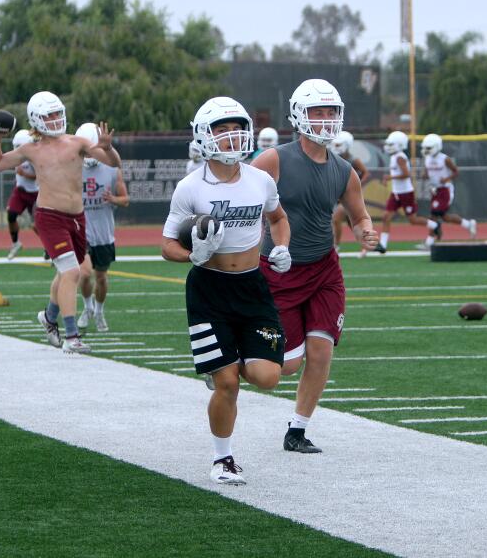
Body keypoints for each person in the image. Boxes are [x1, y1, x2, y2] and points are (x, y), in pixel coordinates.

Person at [161, 96, 292, 485]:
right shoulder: (190, 188)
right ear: (203, 136)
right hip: (210, 289)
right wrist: (191, 255)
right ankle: (223, 459)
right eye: (222, 129)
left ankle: (223, 368)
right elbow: (166, 245)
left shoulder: (260, 179)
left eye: (237, 127)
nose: (232, 135)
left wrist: (282, 247)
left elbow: (278, 217)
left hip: (252, 285)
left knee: (267, 375)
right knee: (229, 382)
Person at [252, 78, 379, 454]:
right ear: (298, 115)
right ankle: (230, 360)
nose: (325, 121)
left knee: (322, 351)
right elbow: (243, 195)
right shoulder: (275, 158)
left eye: (330, 113)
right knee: (285, 367)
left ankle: (298, 430)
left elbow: (360, 215)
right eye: (317, 112)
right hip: (280, 269)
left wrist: (366, 232)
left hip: (324, 269)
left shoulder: (344, 170)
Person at [0, 92, 121, 354]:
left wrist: (107, 147)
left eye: (58, 113)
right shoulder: (31, 149)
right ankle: (71, 336)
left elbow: (113, 163)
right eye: (49, 115)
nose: (56, 119)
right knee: (72, 272)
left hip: (77, 218)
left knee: (72, 272)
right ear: (36, 119)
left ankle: (49, 317)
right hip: (49, 217)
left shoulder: (76, 142)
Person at [74, 122, 130, 332]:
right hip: (81, 231)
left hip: (104, 233)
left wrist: (113, 198)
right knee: (85, 273)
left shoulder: (110, 169)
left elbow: (125, 199)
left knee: (101, 277)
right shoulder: (73, 167)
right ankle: (87, 307)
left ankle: (98, 311)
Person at [377, 130, 438, 253]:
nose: (388, 147)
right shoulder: (395, 156)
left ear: (399, 145)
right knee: (386, 217)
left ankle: (435, 226)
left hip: (406, 193)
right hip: (396, 193)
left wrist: (390, 177)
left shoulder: (400, 157)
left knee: (413, 220)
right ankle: (382, 245)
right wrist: (390, 177)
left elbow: (406, 174)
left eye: (391, 144)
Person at [421, 133, 477, 248]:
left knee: (434, 216)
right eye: (425, 148)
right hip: (435, 190)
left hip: (445, 190)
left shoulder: (445, 159)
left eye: (429, 148)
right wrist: (425, 175)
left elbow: (456, 171)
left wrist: (446, 178)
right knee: (444, 217)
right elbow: (427, 173)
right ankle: (468, 224)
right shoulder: (427, 159)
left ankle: (429, 241)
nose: (426, 150)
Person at [330, 130, 371, 250]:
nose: (335, 147)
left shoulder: (353, 160)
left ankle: (335, 246)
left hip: (348, 197)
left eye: (338, 144)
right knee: (352, 223)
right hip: (338, 195)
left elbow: (366, 173)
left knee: (336, 219)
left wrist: (356, 186)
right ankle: (367, 244)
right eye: (334, 144)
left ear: (347, 145)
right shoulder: (332, 158)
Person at [5, 129, 39, 260]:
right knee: (11, 215)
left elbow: (39, 175)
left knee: (38, 225)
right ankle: (15, 243)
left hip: (35, 193)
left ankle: (49, 247)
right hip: (20, 191)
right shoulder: (16, 156)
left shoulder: (34, 158)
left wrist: (24, 174)